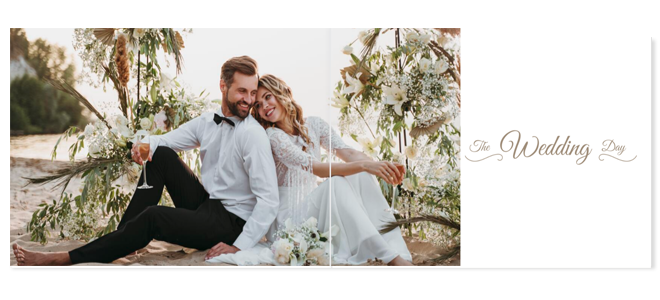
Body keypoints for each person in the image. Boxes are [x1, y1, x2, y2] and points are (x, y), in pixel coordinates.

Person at [12, 56, 280, 266]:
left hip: (231, 223)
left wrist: (239, 245)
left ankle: (64, 258)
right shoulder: (207, 123)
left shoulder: (252, 136)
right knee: (160, 155)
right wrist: (143, 146)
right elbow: (165, 141)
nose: (248, 100)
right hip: (208, 205)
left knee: (153, 216)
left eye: (252, 92)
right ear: (223, 86)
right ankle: (123, 237)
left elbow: (269, 200)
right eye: (241, 91)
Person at [208, 74, 413, 266]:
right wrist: (366, 165)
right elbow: (318, 169)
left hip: (314, 209)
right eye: (259, 105)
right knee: (337, 181)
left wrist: (379, 165)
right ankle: (390, 257)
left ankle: (393, 247)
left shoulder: (314, 124)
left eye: (268, 97)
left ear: (284, 92)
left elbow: (348, 154)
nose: (265, 107)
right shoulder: (273, 136)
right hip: (288, 219)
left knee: (361, 173)